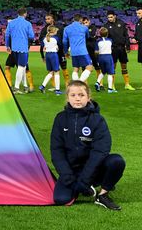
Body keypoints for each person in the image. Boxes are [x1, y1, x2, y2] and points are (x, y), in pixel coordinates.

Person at [50, 80, 125, 210]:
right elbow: (57, 150)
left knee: (117, 161)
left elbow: (100, 151)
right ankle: (84, 189)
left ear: (88, 97)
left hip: (93, 170)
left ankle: (102, 195)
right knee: (61, 199)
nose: (77, 99)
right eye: (73, 95)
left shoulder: (97, 120)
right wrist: (68, 177)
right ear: (67, 98)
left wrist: (84, 180)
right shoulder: (60, 118)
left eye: (81, 95)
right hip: (71, 171)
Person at [5, 7, 35, 94]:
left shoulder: (11, 23)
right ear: (25, 14)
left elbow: (7, 35)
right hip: (23, 48)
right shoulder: (28, 24)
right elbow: (31, 36)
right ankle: (17, 87)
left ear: (18, 13)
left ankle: (25, 85)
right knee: (21, 67)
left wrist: (7, 46)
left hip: (14, 48)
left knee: (23, 67)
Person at [103, 11, 134, 90]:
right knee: (113, 67)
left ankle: (127, 84)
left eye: (111, 17)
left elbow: (126, 35)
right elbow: (105, 39)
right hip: (113, 49)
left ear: (115, 16)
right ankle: (112, 85)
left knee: (124, 66)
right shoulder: (106, 26)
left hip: (122, 48)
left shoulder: (121, 23)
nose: (109, 19)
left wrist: (128, 46)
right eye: (108, 17)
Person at [39, 13, 69, 89]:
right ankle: (55, 85)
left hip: (60, 51)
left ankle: (67, 84)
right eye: (46, 19)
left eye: (48, 18)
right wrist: (42, 55)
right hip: (51, 52)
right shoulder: (44, 29)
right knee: (51, 70)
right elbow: (41, 42)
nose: (47, 20)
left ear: (52, 18)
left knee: (64, 67)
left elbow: (64, 38)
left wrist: (65, 50)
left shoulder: (60, 27)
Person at [64, 13, 95, 83]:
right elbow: (87, 37)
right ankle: (79, 82)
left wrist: (66, 52)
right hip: (82, 51)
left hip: (73, 52)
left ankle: (75, 84)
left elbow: (64, 41)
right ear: (81, 20)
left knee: (76, 68)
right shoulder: (84, 28)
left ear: (73, 19)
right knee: (90, 67)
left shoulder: (66, 28)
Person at [40, 26, 63, 95]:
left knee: (50, 72)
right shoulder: (56, 38)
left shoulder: (44, 38)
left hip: (47, 55)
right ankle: (57, 89)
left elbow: (43, 47)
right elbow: (60, 45)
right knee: (56, 72)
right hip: (53, 55)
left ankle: (43, 86)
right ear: (54, 31)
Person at [94, 27, 117, 93]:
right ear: (107, 34)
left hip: (101, 57)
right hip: (108, 56)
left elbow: (96, 52)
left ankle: (98, 82)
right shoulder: (110, 40)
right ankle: (110, 89)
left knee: (103, 72)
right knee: (110, 73)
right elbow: (111, 48)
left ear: (100, 34)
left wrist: (97, 59)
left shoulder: (98, 41)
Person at [83, 17, 102, 89]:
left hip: (93, 50)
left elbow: (92, 36)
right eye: (83, 23)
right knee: (84, 67)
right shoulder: (82, 29)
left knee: (97, 66)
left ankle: (100, 83)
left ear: (89, 21)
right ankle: (85, 84)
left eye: (86, 22)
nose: (85, 24)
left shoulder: (93, 27)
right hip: (85, 50)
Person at [135, 8, 142, 82]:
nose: (137, 15)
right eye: (137, 13)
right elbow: (137, 33)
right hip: (140, 45)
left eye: (139, 13)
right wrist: (135, 38)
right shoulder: (138, 22)